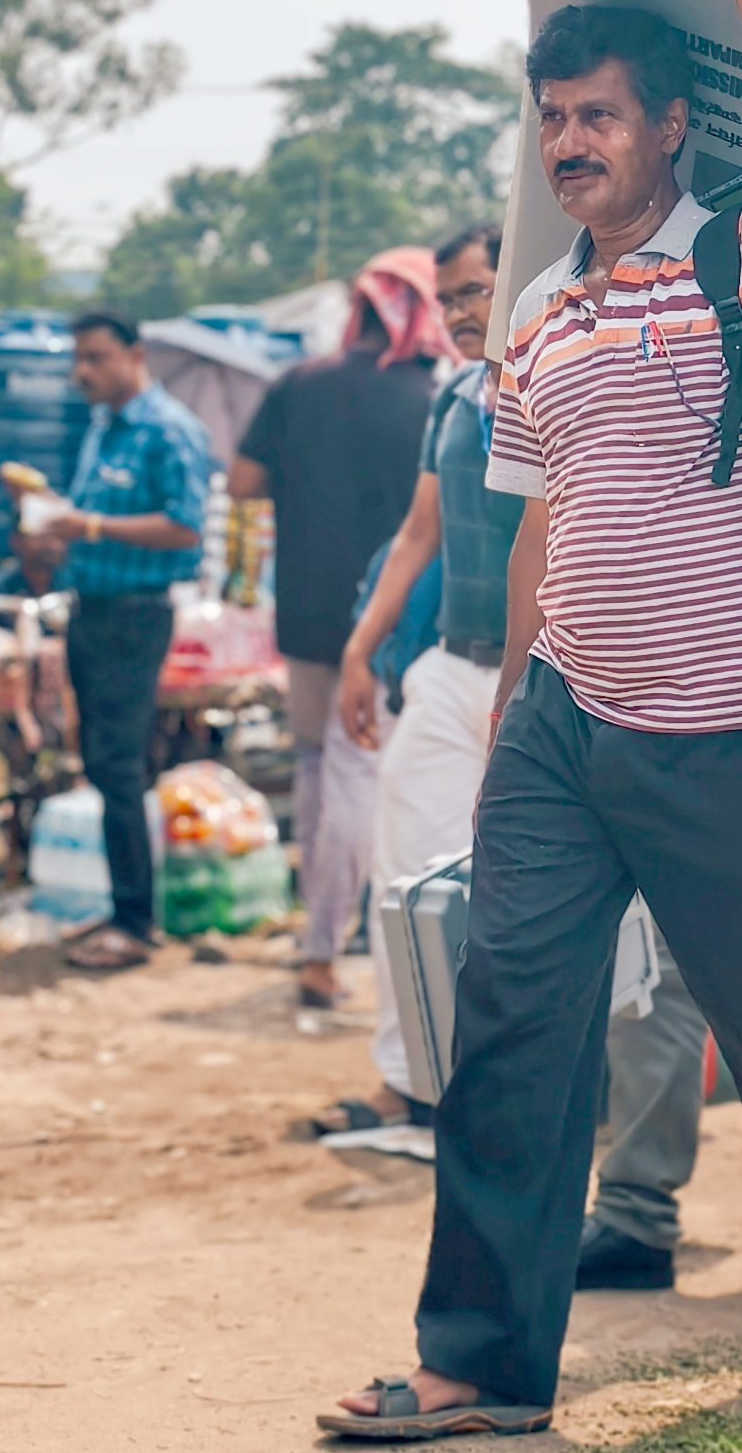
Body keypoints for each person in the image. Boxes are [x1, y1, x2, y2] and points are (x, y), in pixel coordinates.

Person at [322, 0, 742, 1441]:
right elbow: (539, 515)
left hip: (725, 734)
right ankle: (479, 1369)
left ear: (669, 133)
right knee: (511, 1024)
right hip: (566, 728)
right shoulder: (538, 309)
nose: (569, 141)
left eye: (598, 115)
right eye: (551, 118)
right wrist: (517, 693)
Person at [301, 223, 529, 1137]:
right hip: (447, 672)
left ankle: (517, 1097)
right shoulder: (455, 400)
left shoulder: (563, 382)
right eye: (447, 301)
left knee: (525, 899)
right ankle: (411, 1080)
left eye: (476, 292)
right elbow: (417, 535)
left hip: (547, 682)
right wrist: (363, 649)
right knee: (407, 879)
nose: (460, 315)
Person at [231, 250, 447, 1010]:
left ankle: (318, 937)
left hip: (303, 607)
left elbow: (242, 481)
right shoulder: (434, 397)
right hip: (389, 618)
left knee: (318, 766)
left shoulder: (301, 384)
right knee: (358, 776)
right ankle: (327, 947)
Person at [10, 311, 213, 975]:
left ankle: (135, 921)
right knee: (99, 763)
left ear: (134, 354)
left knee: (119, 765)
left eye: (97, 357)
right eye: (80, 358)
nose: (84, 371)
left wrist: (91, 525)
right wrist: (53, 532)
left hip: (136, 615)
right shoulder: (101, 427)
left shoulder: (168, 430)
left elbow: (186, 528)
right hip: (90, 608)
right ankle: (125, 907)